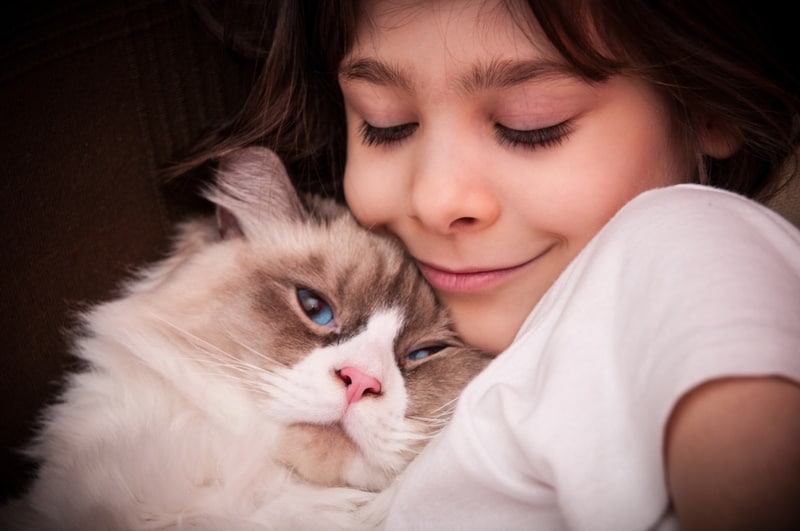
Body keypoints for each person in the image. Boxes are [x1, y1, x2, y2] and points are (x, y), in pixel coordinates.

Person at [176, 1, 800, 529]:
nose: (435, 199)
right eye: (386, 126)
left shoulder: (686, 239)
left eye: (530, 126)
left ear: (707, 107)